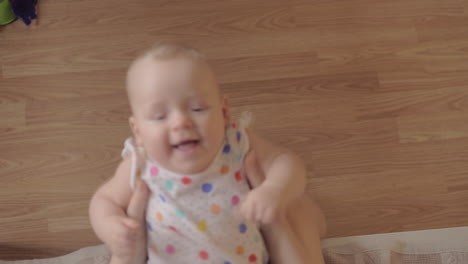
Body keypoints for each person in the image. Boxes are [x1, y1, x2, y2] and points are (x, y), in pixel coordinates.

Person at [89, 42, 327, 264]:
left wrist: (275, 189)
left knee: (300, 208)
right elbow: (104, 200)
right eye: (160, 116)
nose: (181, 122)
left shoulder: (235, 143)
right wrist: (111, 226)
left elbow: (285, 161)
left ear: (224, 113)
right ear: (138, 131)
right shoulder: (140, 164)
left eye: (197, 108)